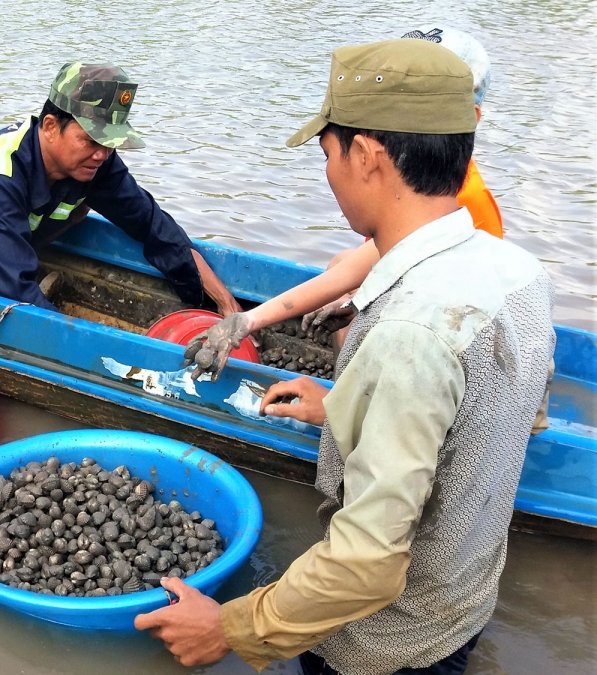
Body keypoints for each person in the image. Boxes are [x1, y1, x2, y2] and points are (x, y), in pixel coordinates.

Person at [136, 39, 555, 674]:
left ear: (366, 155)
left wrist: (227, 627)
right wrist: (345, 408)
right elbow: (491, 423)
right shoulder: (519, 273)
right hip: (465, 603)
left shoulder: (409, 332)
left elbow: (365, 567)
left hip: (386, 646)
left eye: (328, 154)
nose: (327, 173)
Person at [184, 26, 503, 380]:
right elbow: (359, 265)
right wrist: (246, 319)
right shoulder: (430, 180)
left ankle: (346, 398)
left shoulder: (454, 199)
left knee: (354, 299)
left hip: (449, 336)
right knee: (342, 264)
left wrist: (250, 319)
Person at [0, 61, 241, 316]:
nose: (101, 153)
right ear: (49, 126)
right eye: (91, 140)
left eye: (110, 143)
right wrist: (74, 338)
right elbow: (11, 286)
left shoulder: (97, 163)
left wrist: (220, 303)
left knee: (80, 209)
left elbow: (153, 226)